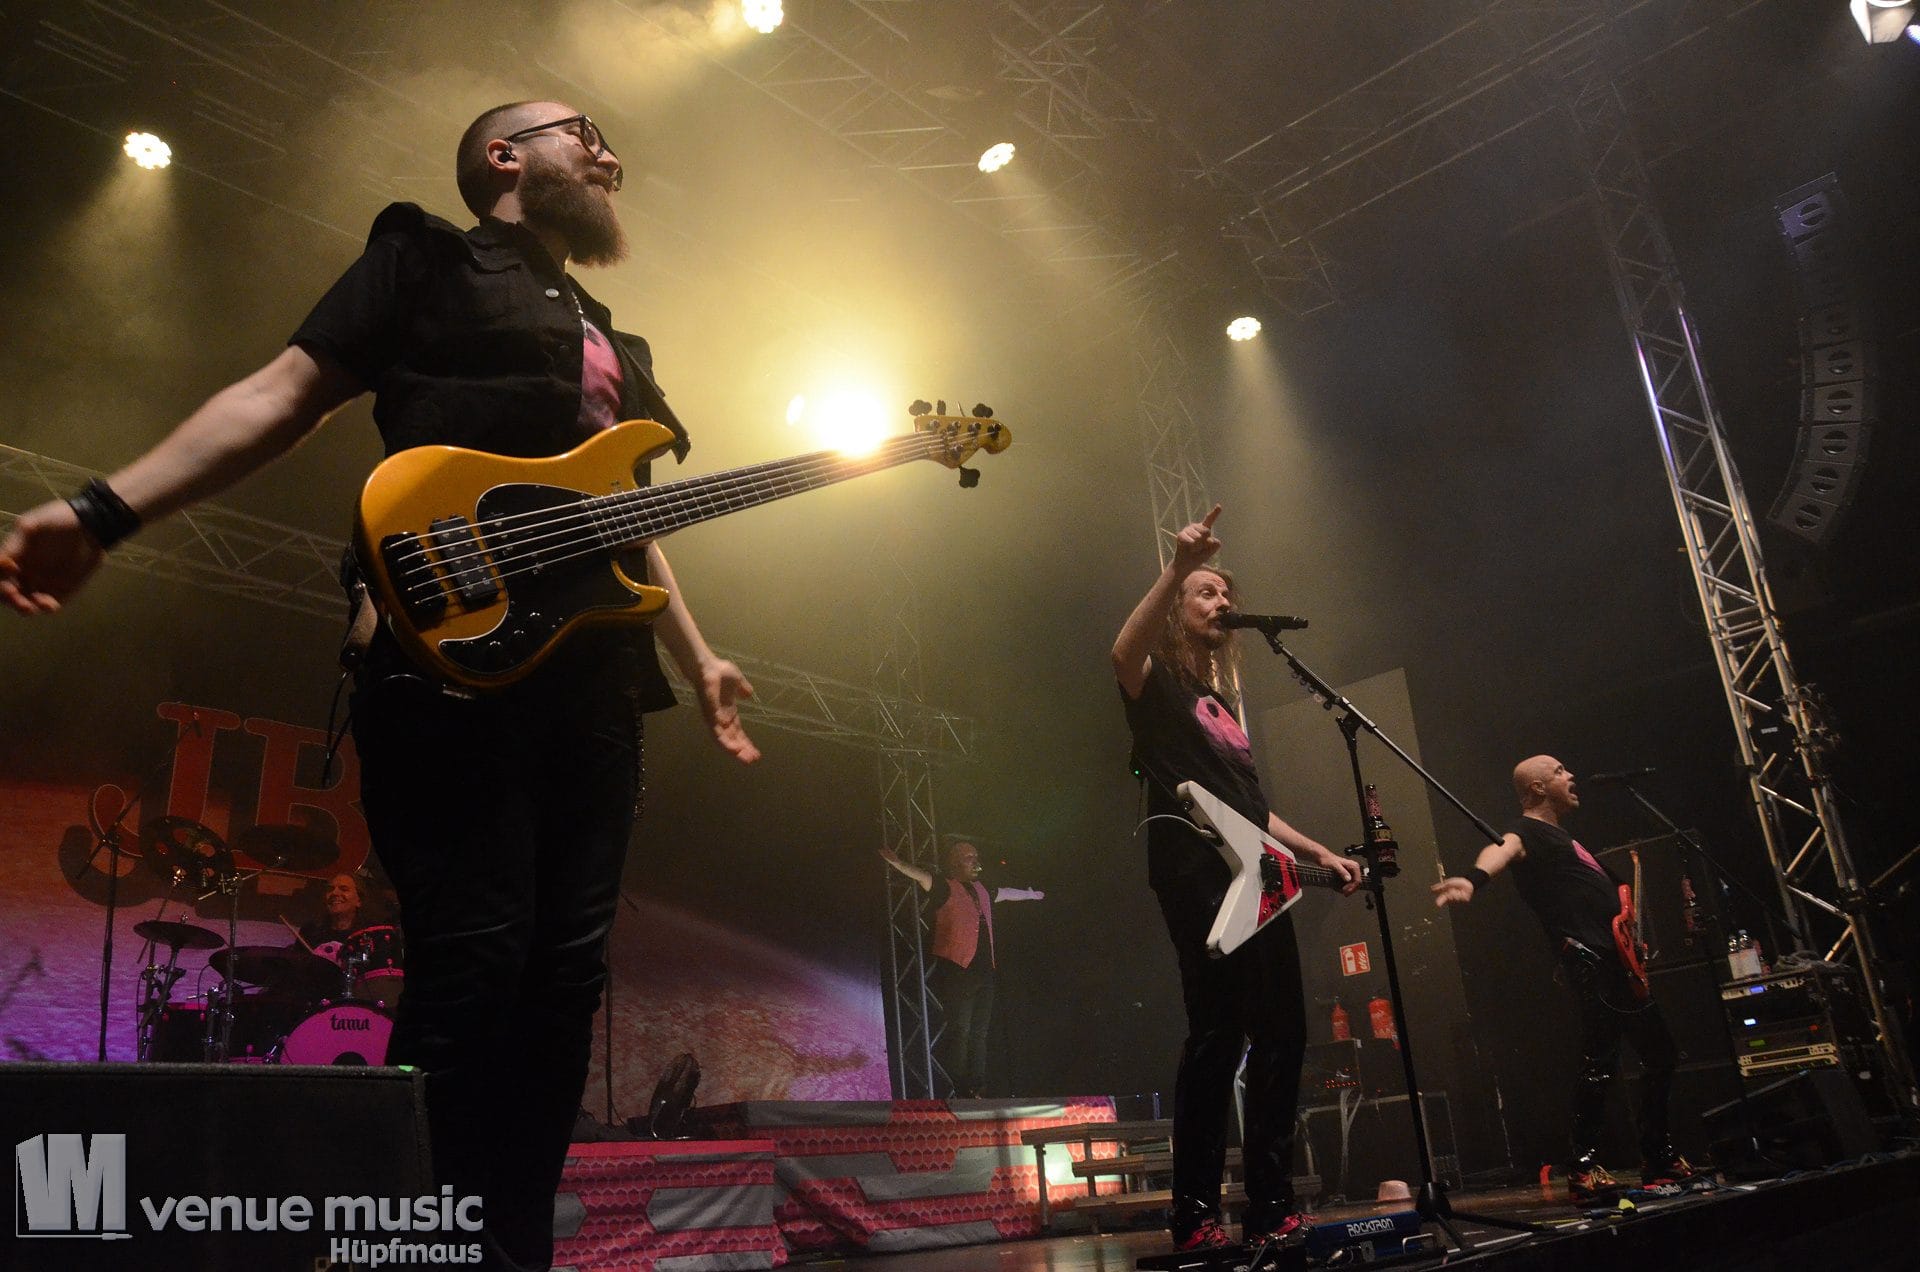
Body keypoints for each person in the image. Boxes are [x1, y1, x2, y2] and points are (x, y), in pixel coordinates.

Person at [1, 100, 760, 1270]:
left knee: (564, 985)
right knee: (476, 959)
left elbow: (622, 522)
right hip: (446, 660)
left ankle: (511, 1254)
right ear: (505, 157)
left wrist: (697, 657)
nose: (611, 153)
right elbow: (282, 392)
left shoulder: (620, 341)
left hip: (597, 685)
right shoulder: (425, 259)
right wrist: (105, 511)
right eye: (583, 132)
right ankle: (420, 1253)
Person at [1111, 505, 1360, 1252]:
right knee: (1218, 1031)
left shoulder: (1222, 707)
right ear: (1178, 607)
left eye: (1225, 593)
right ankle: (1193, 1217)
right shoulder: (1158, 685)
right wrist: (1177, 568)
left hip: (1260, 873)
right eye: (1206, 592)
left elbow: (1253, 809)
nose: (1222, 601)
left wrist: (1321, 853)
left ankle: (1270, 1207)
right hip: (1195, 866)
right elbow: (1122, 652)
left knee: (1284, 1030)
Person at [1431, 755, 1692, 1199]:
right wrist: (1474, 879)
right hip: (1590, 960)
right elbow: (1502, 848)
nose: (1570, 776)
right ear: (1537, 788)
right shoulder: (1526, 830)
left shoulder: (1563, 836)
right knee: (1601, 1060)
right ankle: (1584, 1167)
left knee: (1660, 1053)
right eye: (1558, 772)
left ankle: (1657, 1156)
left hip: (1616, 960)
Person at [878, 838, 1043, 1097]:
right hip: (958, 970)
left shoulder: (983, 890)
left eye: (976, 856)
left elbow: (1006, 893)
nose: (976, 862)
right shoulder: (944, 887)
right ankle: (961, 1087)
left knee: (980, 1032)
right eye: (969, 857)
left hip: (984, 971)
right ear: (955, 863)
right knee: (961, 1030)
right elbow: (921, 876)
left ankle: (977, 1085)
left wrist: (1030, 894)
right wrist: (898, 863)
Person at [297, 872, 366, 950]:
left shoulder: (370, 934)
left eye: (344, 889)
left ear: (359, 901)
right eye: (330, 889)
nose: (334, 893)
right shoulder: (310, 931)